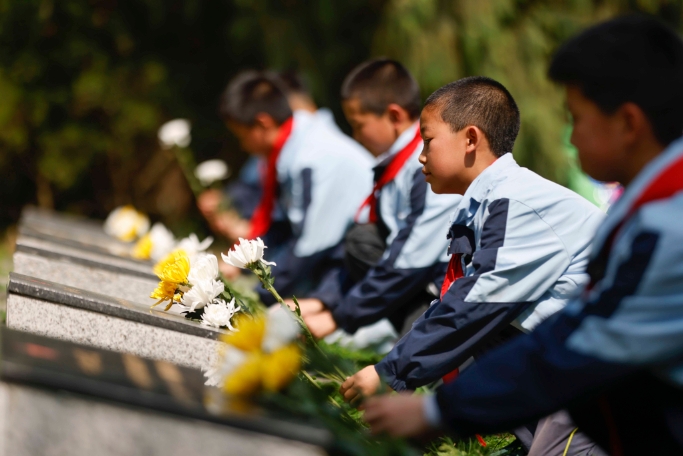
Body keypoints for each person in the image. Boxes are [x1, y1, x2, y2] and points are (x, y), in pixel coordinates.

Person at [361, 15, 683, 455]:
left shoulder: (666, 226)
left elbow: (581, 341)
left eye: (577, 119)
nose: (571, 137)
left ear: (628, 123)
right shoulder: (642, 206)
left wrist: (437, 410)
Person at [294, 59, 460, 342]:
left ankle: (422, 344)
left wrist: (339, 317)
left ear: (394, 116)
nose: (356, 137)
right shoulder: (396, 167)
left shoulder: (426, 168)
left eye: (359, 125)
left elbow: (410, 259)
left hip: (449, 288)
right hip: (419, 279)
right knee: (362, 241)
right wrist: (322, 300)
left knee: (412, 364)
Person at [218, 70, 374, 303]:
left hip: (363, 268)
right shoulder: (295, 146)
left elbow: (309, 245)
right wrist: (239, 262)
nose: (244, 146)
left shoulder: (311, 158)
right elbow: (284, 225)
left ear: (262, 124)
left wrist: (255, 298)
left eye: (242, 137)